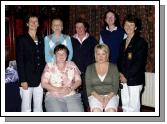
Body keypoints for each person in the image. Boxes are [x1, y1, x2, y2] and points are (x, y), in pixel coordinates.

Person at [117, 14, 148, 112]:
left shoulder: (140, 42)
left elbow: (139, 63)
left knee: (133, 107)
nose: (128, 27)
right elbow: (120, 60)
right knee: (125, 105)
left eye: (131, 25)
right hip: (123, 79)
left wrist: (126, 76)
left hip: (134, 79)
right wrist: (119, 73)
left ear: (135, 27)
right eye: (126, 24)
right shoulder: (123, 42)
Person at [16, 13, 46, 112]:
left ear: (38, 24)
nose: (33, 23)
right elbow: (19, 61)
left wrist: (44, 77)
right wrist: (22, 80)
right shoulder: (22, 39)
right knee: (26, 107)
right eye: (31, 21)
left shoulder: (41, 39)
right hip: (26, 79)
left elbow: (43, 59)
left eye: (35, 21)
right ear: (27, 24)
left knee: (38, 106)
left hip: (39, 78)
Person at [41, 44, 84, 112]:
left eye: (64, 53)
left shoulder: (72, 64)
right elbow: (44, 83)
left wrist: (70, 89)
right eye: (58, 54)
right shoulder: (49, 65)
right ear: (55, 55)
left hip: (70, 94)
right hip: (53, 96)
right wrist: (58, 89)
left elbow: (79, 81)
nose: (61, 56)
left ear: (67, 55)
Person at [71, 20, 98, 111]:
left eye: (81, 27)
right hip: (74, 73)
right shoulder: (71, 40)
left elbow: (97, 56)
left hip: (89, 73)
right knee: (75, 96)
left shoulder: (92, 40)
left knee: (88, 95)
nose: (79, 29)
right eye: (77, 27)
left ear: (85, 28)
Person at [85, 44, 119, 112]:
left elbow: (115, 86)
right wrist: (99, 98)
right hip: (95, 95)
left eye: (103, 54)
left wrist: (107, 98)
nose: (100, 57)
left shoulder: (114, 67)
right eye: (98, 54)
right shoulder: (89, 68)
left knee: (111, 110)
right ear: (95, 55)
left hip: (111, 95)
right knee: (96, 111)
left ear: (107, 55)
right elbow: (89, 88)